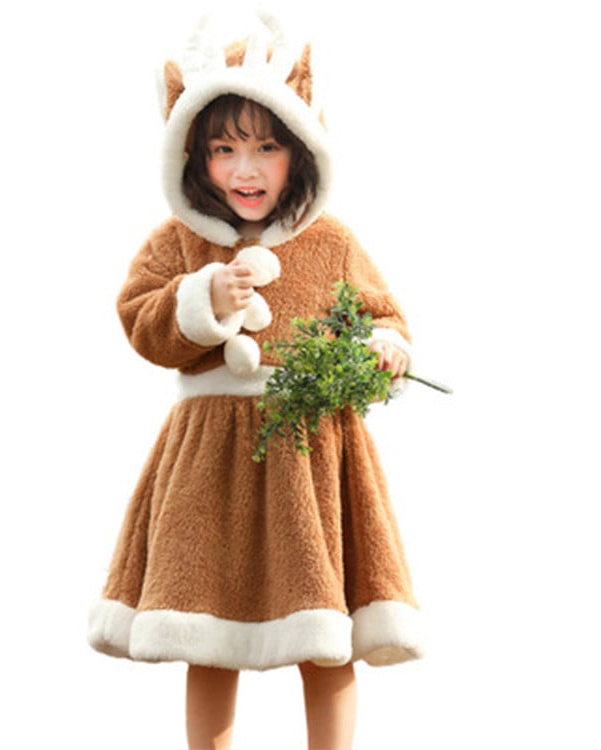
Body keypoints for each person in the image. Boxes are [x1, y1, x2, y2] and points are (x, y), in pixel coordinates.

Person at [89, 11, 423, 749]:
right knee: (206, 627)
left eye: (267, 147)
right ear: (193, 154)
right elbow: (140, 318)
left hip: (311, 456)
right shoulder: (178, 241)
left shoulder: (330, 242)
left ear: (300, 149)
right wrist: (203, 298)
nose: (246, 169)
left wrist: (384, 346)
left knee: (323, 631)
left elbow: (382, 313)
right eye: (225, 148)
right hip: (209, 457)